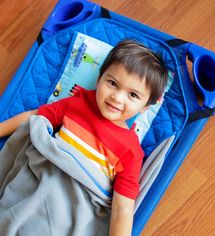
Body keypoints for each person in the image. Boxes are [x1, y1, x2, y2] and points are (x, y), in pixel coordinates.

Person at [0, 39, 168, 235]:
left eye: (133, 95)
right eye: (112, 83)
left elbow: (123, 209)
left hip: (74, 209)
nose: (117, 97)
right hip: (40, 179)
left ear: (145, 107)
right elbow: (35, 118)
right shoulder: (78, 103)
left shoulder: (131, 151)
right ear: (99, 80)